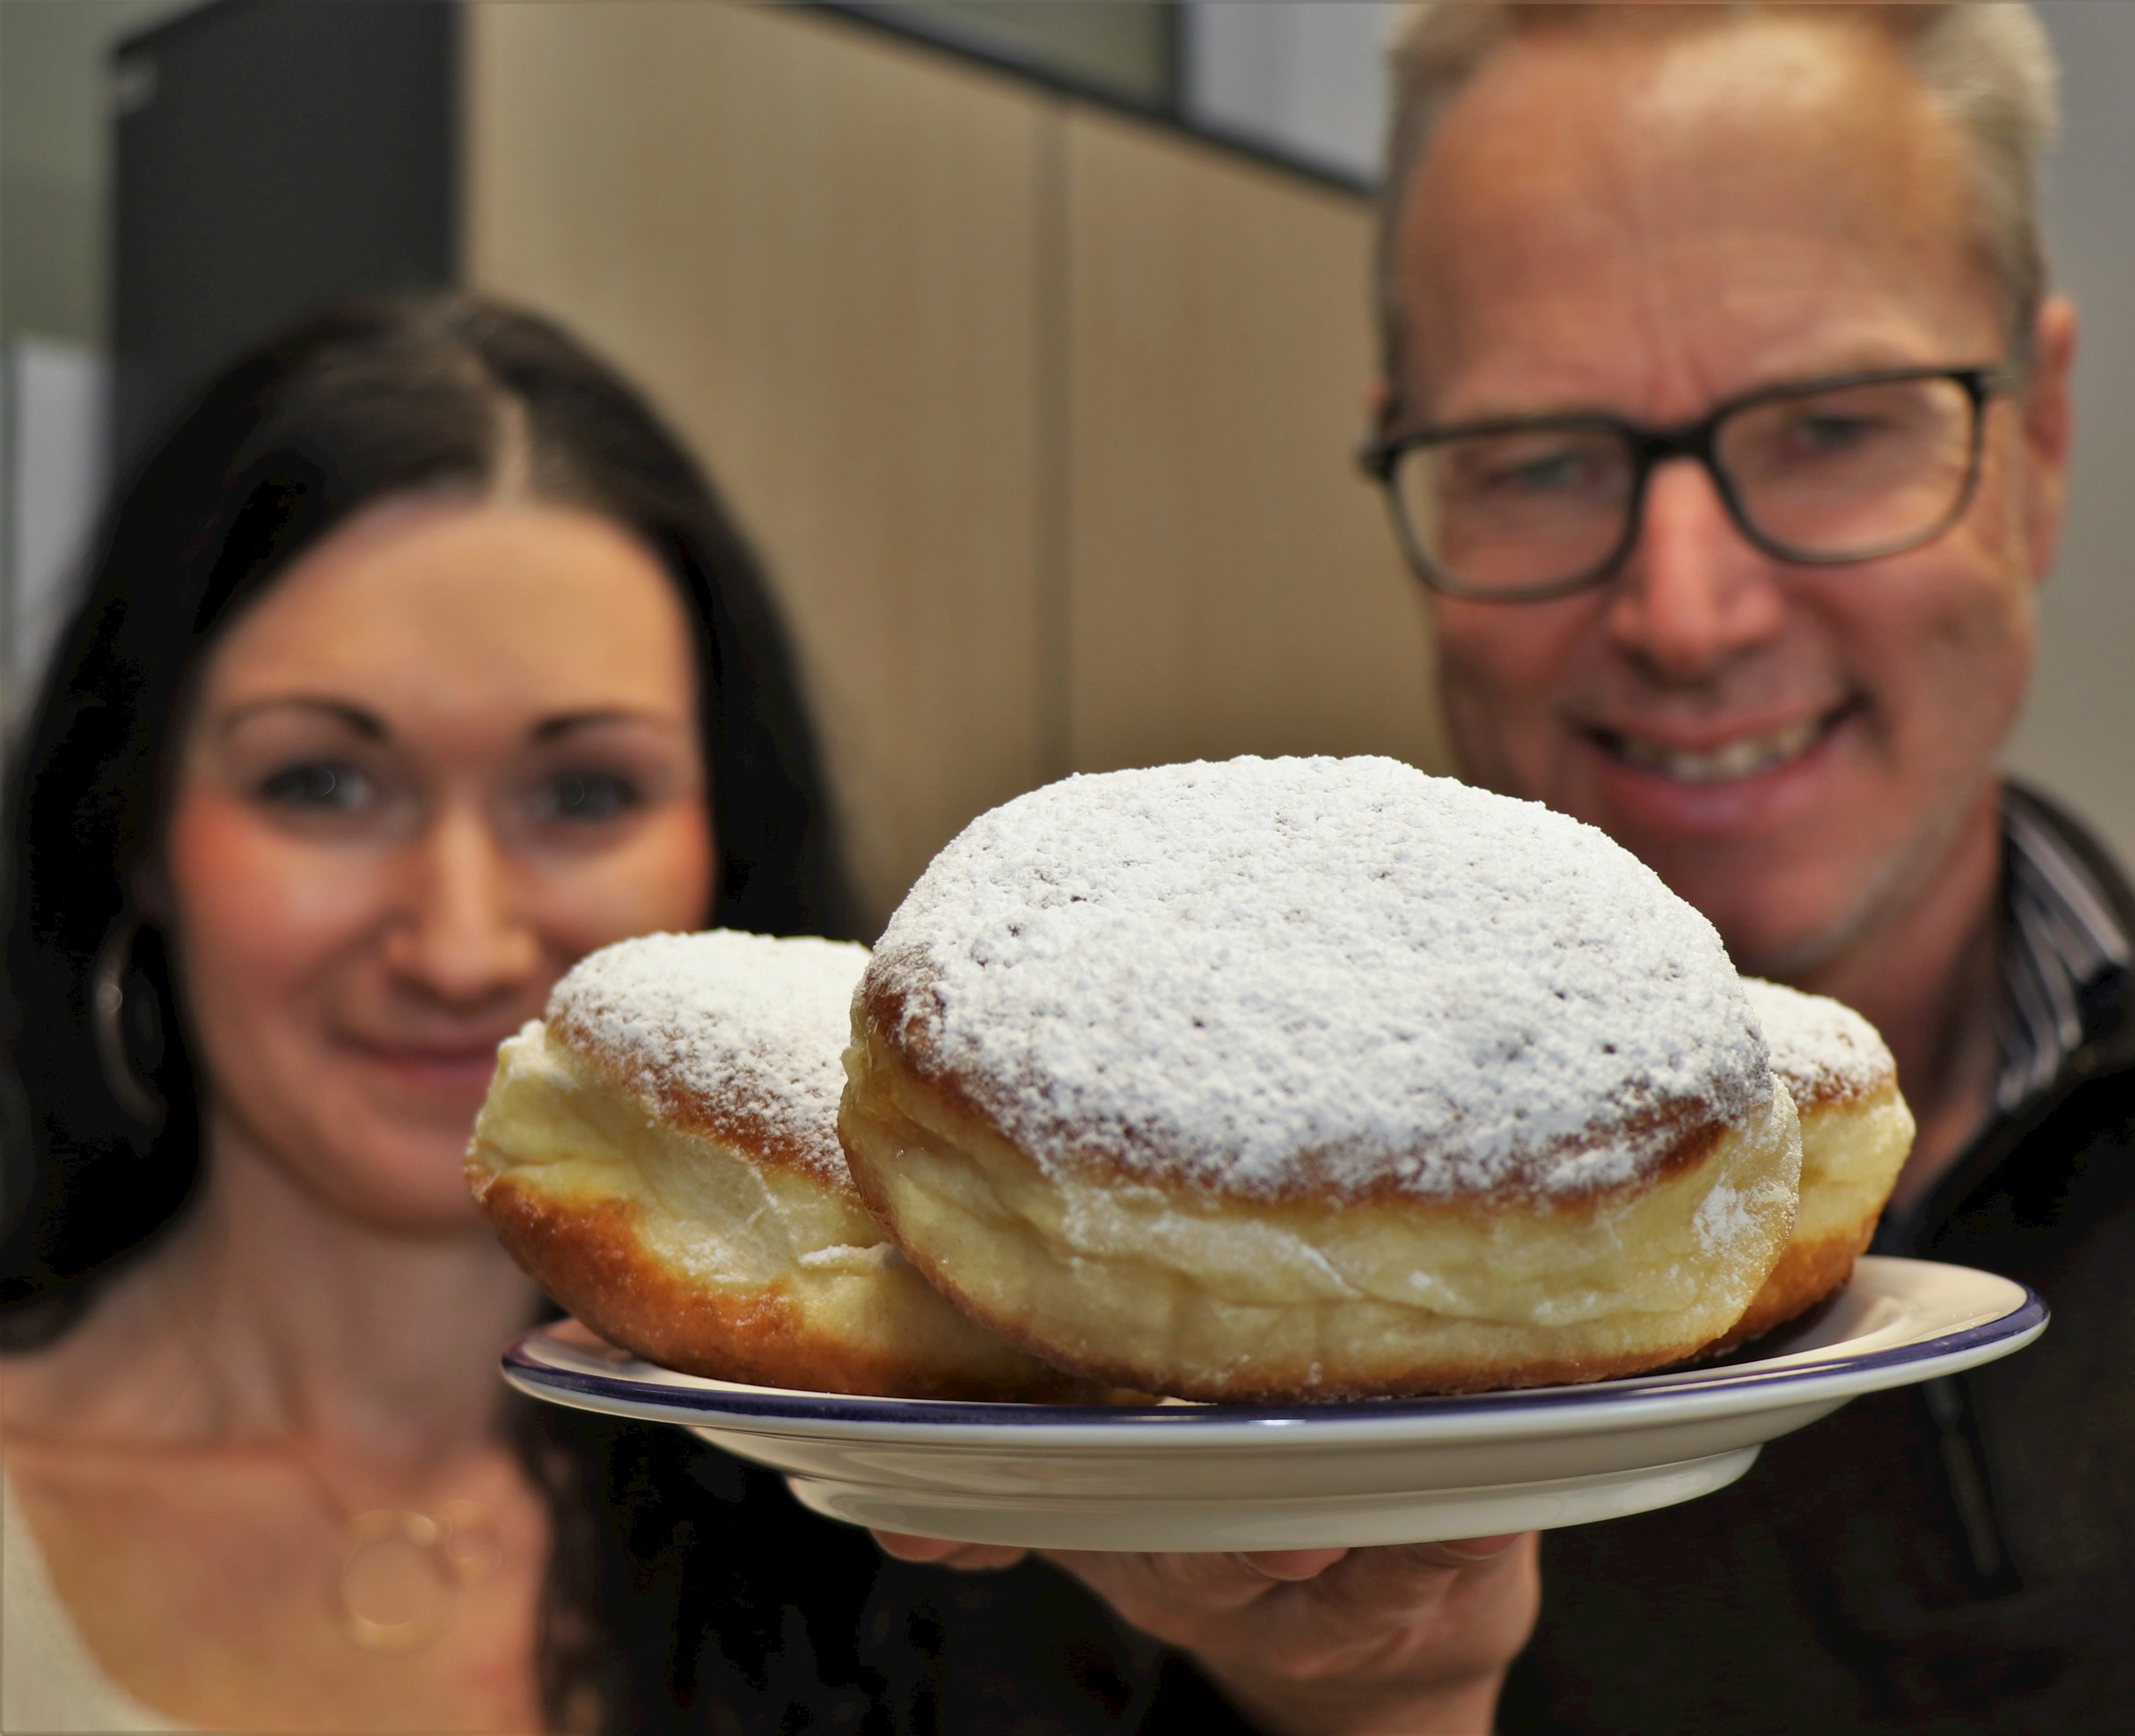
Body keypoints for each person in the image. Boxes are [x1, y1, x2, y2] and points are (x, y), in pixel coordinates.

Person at [0, 293, 1537, 1734]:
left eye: (580, 791)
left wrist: (1367, 1700)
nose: (459, 940)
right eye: (321, 784)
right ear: (135, 824)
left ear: (717, 844)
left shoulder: (995, 1533)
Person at [1362, 3, 2135, 1729]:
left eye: (1830, 429)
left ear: (2033, 453)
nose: (1685, 616)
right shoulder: (1164, 1316)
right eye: (1548, 464)